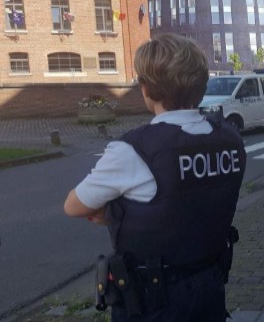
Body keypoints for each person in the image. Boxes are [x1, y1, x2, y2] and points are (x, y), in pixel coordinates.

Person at [64, 33, 246, 321]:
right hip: (209, 292)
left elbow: (73, 205)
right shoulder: (229, 139)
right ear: (201, 85)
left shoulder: (135, 150)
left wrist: (116, 211)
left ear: (146, 88)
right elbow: (191, 203)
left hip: (152, 304)